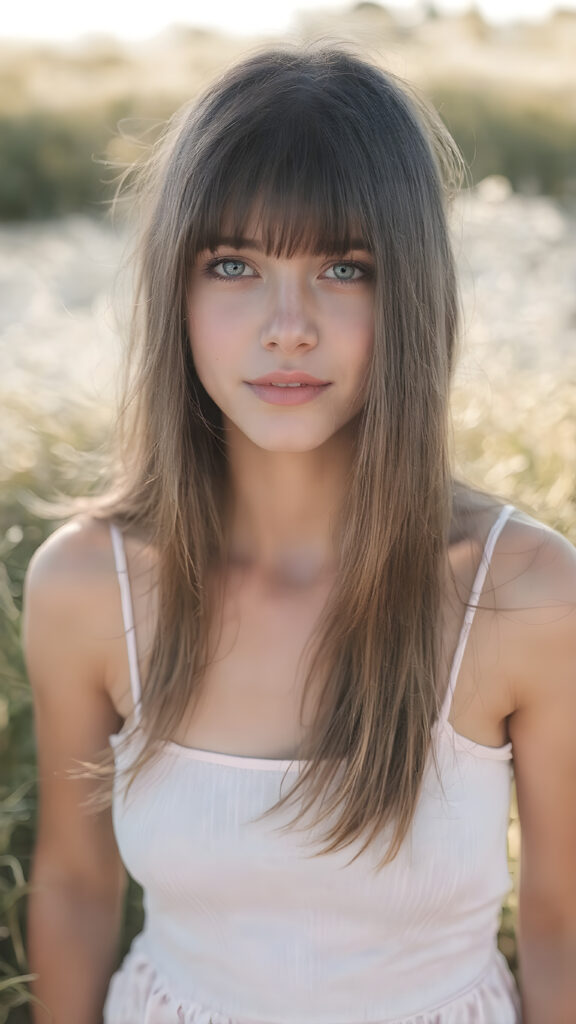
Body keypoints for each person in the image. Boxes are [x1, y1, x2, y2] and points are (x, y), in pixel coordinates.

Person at [22, 44, 576, 1024]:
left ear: (411, 293)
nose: (289, 325)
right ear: (174, 292)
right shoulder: (88, 585)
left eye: (344, 267)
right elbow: (73, 886)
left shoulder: (525, 591)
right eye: (233, 263)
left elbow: (562, 924)